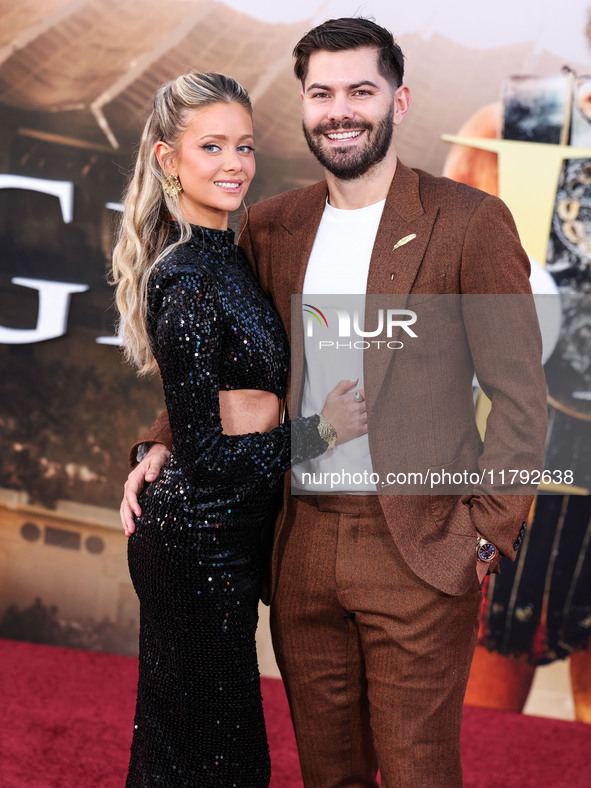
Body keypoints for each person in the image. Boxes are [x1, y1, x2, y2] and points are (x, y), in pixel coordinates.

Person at [121, 20, 548, 788]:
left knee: (419, 772)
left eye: (360, 90)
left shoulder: (469, 223)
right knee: (329, 774)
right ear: (304, 106)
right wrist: (161, 443)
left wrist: (482, 538)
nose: (339, 109)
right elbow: (221, 357)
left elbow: (521, 399)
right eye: (321, 92)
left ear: (399, 99)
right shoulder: (275, 224)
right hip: (298, 545)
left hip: (419, 547)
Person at [111, 70, 366, 787]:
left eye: (245, 146)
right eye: (212, 146)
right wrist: (322, 433)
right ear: (168, 159)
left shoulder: (230, 252)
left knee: (197, 745)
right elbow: (210, 456)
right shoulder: (187, 276)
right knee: (210, 752)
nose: (233, 164)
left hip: (230, 537)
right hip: (197, 541)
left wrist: (159, 444)